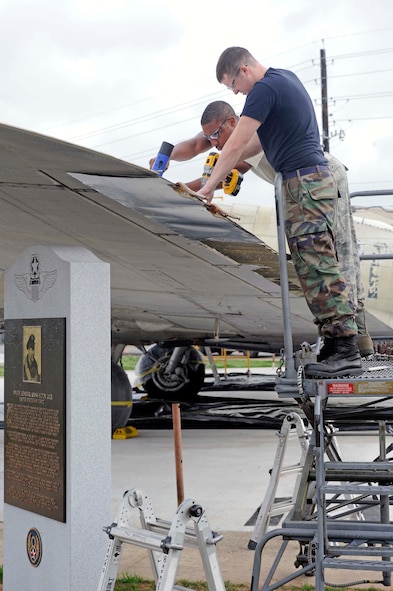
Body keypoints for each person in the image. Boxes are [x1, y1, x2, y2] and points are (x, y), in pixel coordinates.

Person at [196, 47, 364, 378]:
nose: (235, 92)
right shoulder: (283, 79)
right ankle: (335, 344)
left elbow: (234, 144)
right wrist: (211, 176)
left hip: (305, 184)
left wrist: (207, 188)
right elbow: (253, 144)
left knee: (317, 265)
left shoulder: (263, 90)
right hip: (308, 183)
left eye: (232, 84)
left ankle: (345, 349)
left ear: (243, 70)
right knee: (311, 264)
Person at [163, 100, 374, 359]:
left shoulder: (252, 134)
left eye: (216, 135)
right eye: (210, 137)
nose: (214, 142)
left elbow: (224, 174)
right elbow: (195, 146)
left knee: (338, 252)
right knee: (325, 254)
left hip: (323, 175)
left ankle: (358, 338)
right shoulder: (221, 134)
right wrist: (166, 156)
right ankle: (354, 337)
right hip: (302, 183)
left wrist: (182, 188)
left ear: (233, 122)